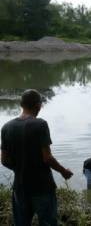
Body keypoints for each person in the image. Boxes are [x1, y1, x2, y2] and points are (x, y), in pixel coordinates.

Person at [1, 89, 73, 226]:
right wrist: (63, 171)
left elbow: (4, 160)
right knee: (47, 223)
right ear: (38, 106)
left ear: (21, 105)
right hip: (42, 186)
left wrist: (20, 168)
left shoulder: (6, 127)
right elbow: (47, 158)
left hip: (20, 187)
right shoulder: (40, 124)